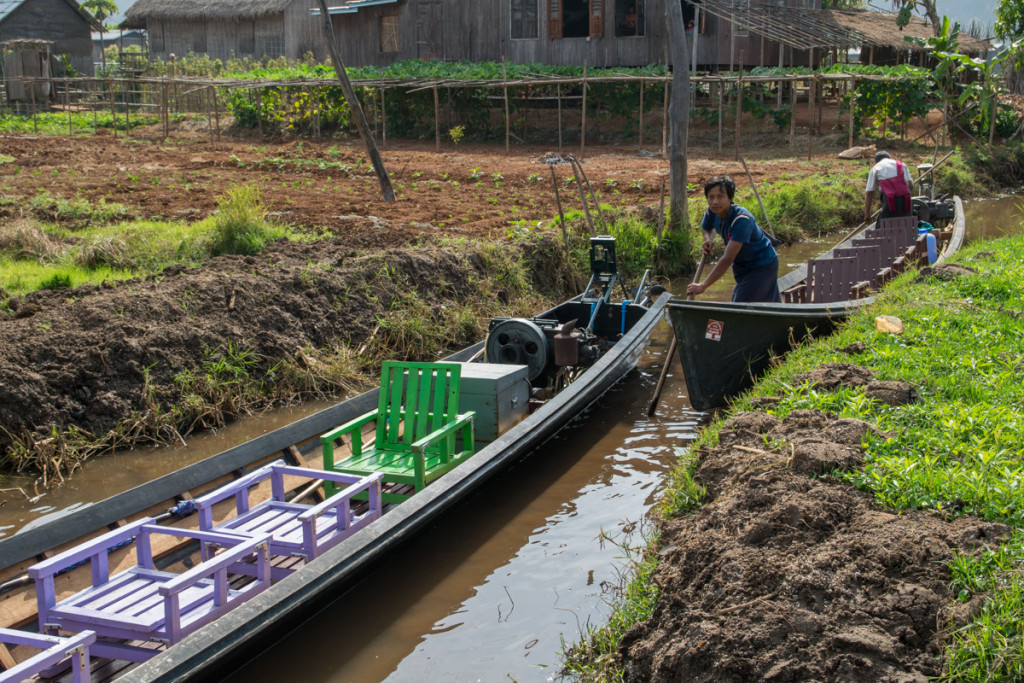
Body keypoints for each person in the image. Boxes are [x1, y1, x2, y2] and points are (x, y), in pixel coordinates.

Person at [686, 176, 781, 303]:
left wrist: (703, 286)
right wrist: (708, 239)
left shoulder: (741, 220)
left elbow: (727, 258)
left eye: (720, 197)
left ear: (730, 198)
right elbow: (706, 228)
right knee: (764, 302)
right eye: (711, 197)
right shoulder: (712, 211)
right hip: (742, 266)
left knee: (739, 304)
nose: (715, 201)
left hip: (762, 264)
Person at [864, 150, 913, 223]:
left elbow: (869, 193)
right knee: (905, 224)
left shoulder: (875, 168)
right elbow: (910, 185)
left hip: (890, 202)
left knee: (883, 226)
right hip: (905, 201)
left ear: (876, 161)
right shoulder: (902, 164)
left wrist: (867, 214)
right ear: (889, 158)